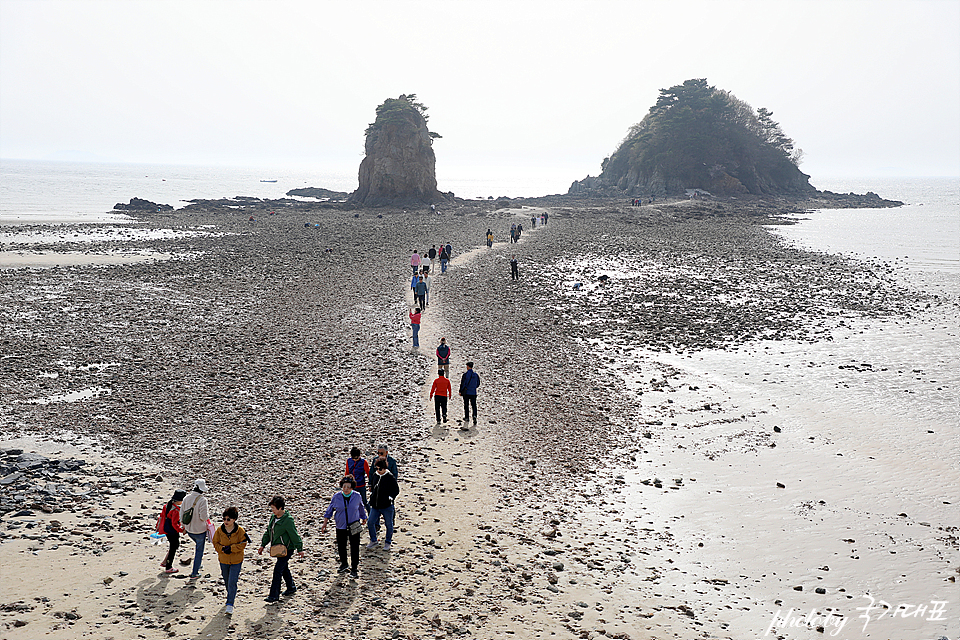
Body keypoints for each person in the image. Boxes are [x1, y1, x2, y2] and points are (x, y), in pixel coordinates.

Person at [257, 496, 304, 603]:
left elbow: (294, 535)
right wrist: (263, 545)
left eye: (273, 508)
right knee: (284, 568)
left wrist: (299, 548)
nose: (272, 510)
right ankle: (291, 587)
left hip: (287, 549)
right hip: (278, 548)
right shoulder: (273, 518)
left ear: (280, 508)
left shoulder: (288, 520)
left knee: (278, 570)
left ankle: (274, 595)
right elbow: (269, 532)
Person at [321, 477, 368, 579]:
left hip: (354, 525)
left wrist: (364, 518)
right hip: (340, 526)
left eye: (349, 487)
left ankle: (354, 569)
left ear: (352, 488)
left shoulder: (357, 496)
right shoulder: (336, 497)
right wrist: (325, 523)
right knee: (341, 547)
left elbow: (361, 507)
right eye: (344, 486)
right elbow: (330, 510)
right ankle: (344, 564)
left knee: (355, 548)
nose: (346, 489)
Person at [212, 506, 249, 615]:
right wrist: (223, 549)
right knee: (227, 580)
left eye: (228, 519)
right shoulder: (219, 530)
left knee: (233, 581)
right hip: (223, 560)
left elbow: (243, 544)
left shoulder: (240, 531)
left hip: (236, 560)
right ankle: (231, 595)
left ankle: (230, 604)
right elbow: (215, 543)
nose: (226, 521)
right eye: (224, 519)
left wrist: (231, 548)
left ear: (234, 519)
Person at [366, 459, 400, 551]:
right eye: (376, 468)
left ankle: (388, 542)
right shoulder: (375, 475)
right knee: (370, 522)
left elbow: (396, 490)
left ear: (385, 468)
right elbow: (373, 487)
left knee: (389, 524)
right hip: (375, 506)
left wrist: (391, 497)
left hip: (387, 506)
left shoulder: (390, 477)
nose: (378, 470)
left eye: (380, 469)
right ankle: (373, 540)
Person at [180, 479, 210, 579]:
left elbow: (182, 514)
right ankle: (194, 573)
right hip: (200, 530)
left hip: (189, 529)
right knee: (199, 551)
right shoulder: (202, 500)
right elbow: (204, 517)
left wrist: (183, 526)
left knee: (198, 549)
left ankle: (198, 564)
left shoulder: (186, 498)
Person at [159, 489, 187, 574]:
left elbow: (162, 517)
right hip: (172, 531)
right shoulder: (176, 510)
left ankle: (165, 562)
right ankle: (168, 566)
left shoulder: (167, 505)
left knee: (173, 546)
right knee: (173, 547)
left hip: (166, 528)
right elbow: (175, 524)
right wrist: (182, 530)